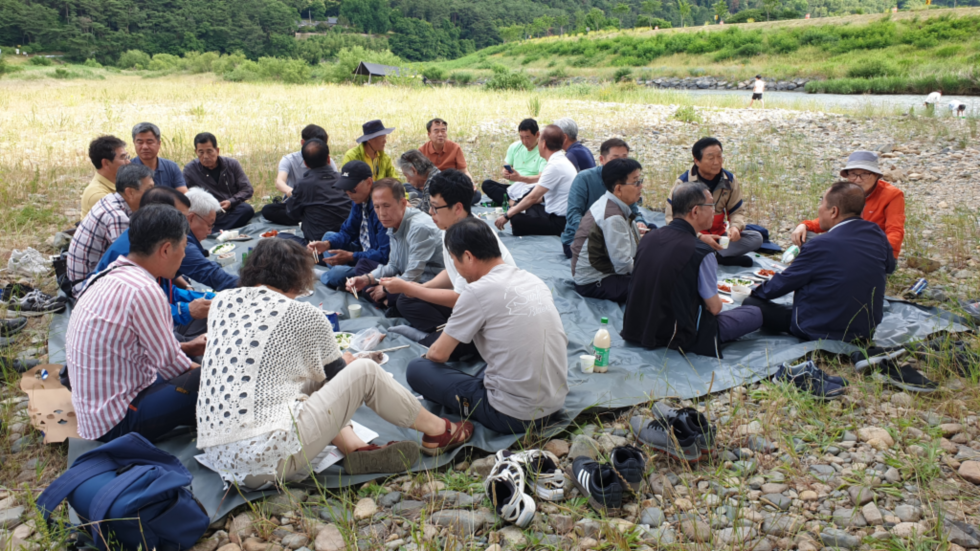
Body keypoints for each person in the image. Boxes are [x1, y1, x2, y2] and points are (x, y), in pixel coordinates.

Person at [195, 239, 473, 489]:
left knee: (309, 381)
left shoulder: (221, 302)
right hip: (268, 459)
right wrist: (348, 361)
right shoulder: (301, 313)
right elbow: (340, 375)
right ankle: (439, 431)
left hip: (222, 458)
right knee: (364, 372)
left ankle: (355, 448)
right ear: (299, 276)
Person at [405, 218, 568, 435]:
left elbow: (438, 354)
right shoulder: (532, 279)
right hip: (555, 402)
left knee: (417, 368)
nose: (456, 269)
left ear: (468, 257)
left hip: (513, 416)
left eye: (454, 260)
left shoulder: (476, 291)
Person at [66, 205, 207, 443]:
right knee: (214, 387)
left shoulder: (113, 272)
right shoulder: (145, 290)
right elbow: (173, 366)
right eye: (183, 248)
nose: (183, 256)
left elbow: (158, 353)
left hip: (96, 408)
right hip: (114, 421)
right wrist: (221, 375)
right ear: (165, 249)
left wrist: (188, 350)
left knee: (194, 367)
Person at [382, 170, 517, 357]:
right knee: (406, 299)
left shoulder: (468, 238)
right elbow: (452, 272)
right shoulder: (450, 228)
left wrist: (414, 289)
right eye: (430, 206)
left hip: (487, 314)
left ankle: (435, 338)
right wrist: (418, 289)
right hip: (471, 303)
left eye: (436, 207)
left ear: (458, 208)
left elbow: (461, 298)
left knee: (440, 352)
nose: (430, 212)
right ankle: (440, 333)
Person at [622, 183, 763, 358]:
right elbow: (714, 308)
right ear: (695, 211)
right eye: (711, 206)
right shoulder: (701, 252)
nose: (715, 211)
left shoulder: (649, 237)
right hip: (675, 334)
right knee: (754, 313)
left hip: (636, 326)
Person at [746, 181, 896, 342]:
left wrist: (754, 292)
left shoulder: (821, 244)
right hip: (865, 330)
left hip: (820, 329)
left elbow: (781, 284)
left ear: (833, 211)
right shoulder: (878, 235)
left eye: (822, 203)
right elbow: (890, 267)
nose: (819, 209)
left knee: (751, 303)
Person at [93, 187, 214, 329]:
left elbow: (168, 292)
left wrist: (207, 298)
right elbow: (147, 316)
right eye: (180, 216)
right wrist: (186, 311)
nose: (185, 225)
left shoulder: (150, 243)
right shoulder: (134, 262)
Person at [346, 179, 444, 311]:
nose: (381, 213)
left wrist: (385, 289)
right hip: (405, 276)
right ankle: (387, 303)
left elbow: (413, 275)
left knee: (403, 299)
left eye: (386, 206)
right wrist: (365, 280)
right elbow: (393, 265)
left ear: (403, 203)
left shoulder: (419, 227)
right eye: (377, 207)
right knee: (363, 265)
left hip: (428, 283)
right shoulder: (393, 221)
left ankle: (388, 303)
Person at [790, 151, 904, 259]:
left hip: (874, 252)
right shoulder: (847, 191)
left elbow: (895, 231)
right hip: (847, 246)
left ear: (876, 176)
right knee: (805, 236)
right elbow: (832, 217)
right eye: (853, 174)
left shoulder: (892, 195)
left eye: (864, 174)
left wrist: (874, 251)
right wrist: (805, 225)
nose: (858, 180)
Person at [665, 137, 763, 262]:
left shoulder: (729, 180)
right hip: (694, 238)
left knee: (756, 238)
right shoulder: (683, 184)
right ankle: (715, 255)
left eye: (719, 157)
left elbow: (737, 211)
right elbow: (671, 220)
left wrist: (735, 227)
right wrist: (699, 237)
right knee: (676, 243)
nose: (717, 162)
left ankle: (713, 255)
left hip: (719, 237)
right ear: (697, 161)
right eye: (711, 158)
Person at [67, 164, 154, 296]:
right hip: (86, 286)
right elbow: (129, 262)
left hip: (84, 276)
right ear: (130, 192)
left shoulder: (112, 198)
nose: (152, 195)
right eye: (149, 190)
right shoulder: (117, 217)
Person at [307, 161, 391, 290]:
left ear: (369, 182)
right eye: (345, 188)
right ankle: (344, 275)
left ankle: (330, 276)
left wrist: (351, 256)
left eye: (352, 188)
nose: (348, 193)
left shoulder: (381, 206)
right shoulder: (359, 199)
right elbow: (348, 231)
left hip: (376, 262)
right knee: (328, 237)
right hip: (362, 250)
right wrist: (327, 244)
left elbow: (384, 255)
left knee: (338, 273)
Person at [570, 158, 644, 303]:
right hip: (594, 281)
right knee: (656, 287)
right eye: (636, 182)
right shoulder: (613, 217)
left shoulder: (610, 203)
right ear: (618, 188)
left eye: (640, 180)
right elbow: (623, 266)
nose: (641, 186)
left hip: (603, 273)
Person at [561, 138, 648, 258]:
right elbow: (573, 215)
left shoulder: (627, 182)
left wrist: (639, 223)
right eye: (615, 158)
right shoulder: (584, 178)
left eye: (624, 158)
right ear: (602, 159)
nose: (620, 163)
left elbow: (633, 212)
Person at [494, 124, 576, 237]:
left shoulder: (554, 166)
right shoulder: (560, 160)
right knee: (528, 207)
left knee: (516, 219)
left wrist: (507, 215)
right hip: (561, 215)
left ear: (544, 144)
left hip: (560, 222)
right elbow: (539, 197)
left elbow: (532, 197)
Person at [261, 124, 338, 226]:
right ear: (303, 143)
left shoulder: (328, 161)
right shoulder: (289, 160)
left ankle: (305, 218)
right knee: (268, 210)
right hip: (297, 203)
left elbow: (335, 183)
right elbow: (279, 182)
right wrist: (291, 192)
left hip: (319, 202)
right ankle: (309, 218)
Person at [280, 138, 351, 245]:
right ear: (328, 159)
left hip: (317, 246)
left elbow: (292, 213)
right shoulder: (344, 179)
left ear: (306, 164)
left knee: (279, 237)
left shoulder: (303, 184)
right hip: (349, 241)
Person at [183, 132, 255, 231]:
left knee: (246, 209)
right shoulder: (190, 170)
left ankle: (213, 230)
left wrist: (231, 202)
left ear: (217, 150)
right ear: (196, 152)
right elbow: (186, 197)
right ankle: (216, 228)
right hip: (208, 213)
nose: (205, 156)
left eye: (209, 151)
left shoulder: (231, 164)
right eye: (201, 152)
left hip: (231, 209)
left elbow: (247, 189)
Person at [179, 187, 239, 292]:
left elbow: (173, 275)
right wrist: (255, 287)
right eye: (209, 225)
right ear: (191, 218)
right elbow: (213, 276)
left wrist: (186, 286)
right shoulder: (181, 242)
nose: (210, 232)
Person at [480, 119, 547, 206]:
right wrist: (505, 172)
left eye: (527, 137)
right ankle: (516, 203)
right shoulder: (515, 147)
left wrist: (521, 178)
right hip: (513, 188)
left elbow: (541, 178)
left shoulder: (543, 150)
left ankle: (511, 202)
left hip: (530, 187)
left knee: (538, 192)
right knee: (487, 184)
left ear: (537, 134)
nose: (524, 141)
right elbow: (506, 165)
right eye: (521, 137)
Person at [130, 122, 188, 193]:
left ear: (159, 144)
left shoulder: (171, 167)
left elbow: (184, 195)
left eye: (149, 142)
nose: (144, 147)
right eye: (140, 142)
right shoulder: (128, 169)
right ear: (134, 143)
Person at [81, 135, 130, 218]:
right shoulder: (98, 195)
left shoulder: (122, 182)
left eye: (127, 157)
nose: (128, 162)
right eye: (123, 158)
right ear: (106, 163)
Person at [398, 149, 440, 214]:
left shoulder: (432, 186)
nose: (407, 180)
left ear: (414, 170)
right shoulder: (435, 172)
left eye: (406, 175)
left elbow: (424, 217)